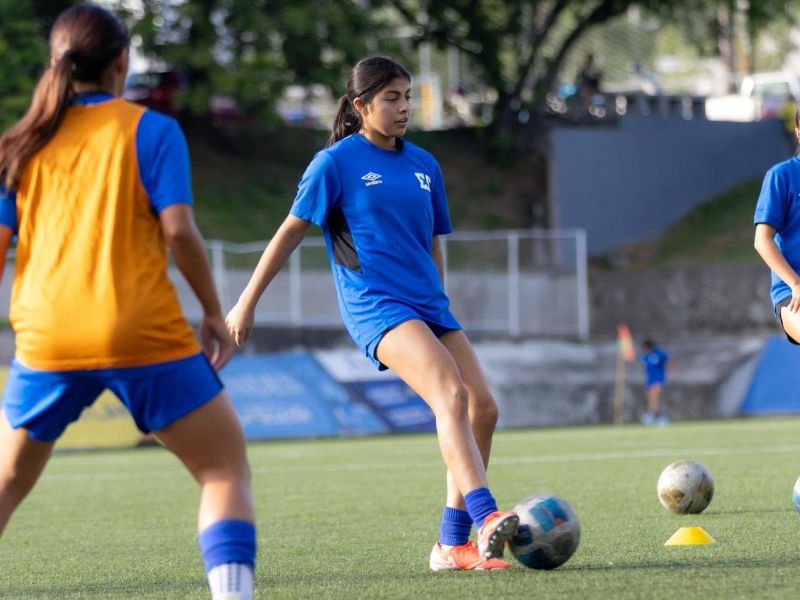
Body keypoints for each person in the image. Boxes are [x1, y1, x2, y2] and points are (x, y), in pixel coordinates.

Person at [225, 55, 518, 572]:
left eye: (407, 96)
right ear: (361, 106)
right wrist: (247, 301)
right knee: (449, 395)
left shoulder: (426, 164)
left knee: (483, 409)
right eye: (392, 98)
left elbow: (433, 244)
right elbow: (288, 233)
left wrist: (440, 308)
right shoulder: (334, 163)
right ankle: (486, 516)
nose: (405, 107)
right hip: (376, 306)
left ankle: (451, 546)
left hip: (430, 307)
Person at [0, 5, 255, 599]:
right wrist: (213, 312)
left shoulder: (21, 141)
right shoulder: (151, 129)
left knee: (8, 481)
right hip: (139, 329)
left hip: (48, 335)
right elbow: (179, 232)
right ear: (122, 61)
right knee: (222, 469)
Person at [754, 108, 800, 351]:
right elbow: (762, 241)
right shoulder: (781, 176)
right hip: (792, 293)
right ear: (798, 133)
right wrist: (796, 283)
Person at [640, 339, 670, 426]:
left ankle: (652, 416)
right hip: (649, 380)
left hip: (658, 380)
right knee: (650, 399)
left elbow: (668, 361)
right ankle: (659, 416)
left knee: (654, 398)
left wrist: (670, 373)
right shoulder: (645, 356)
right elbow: (644, 366)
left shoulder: (659, 353)